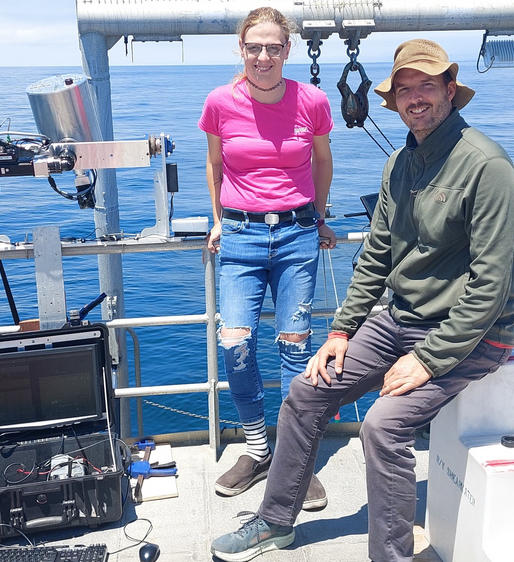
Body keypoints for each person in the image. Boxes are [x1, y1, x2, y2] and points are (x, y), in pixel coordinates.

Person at [210, 39, 514, 562]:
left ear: (451, 90)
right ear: (394, 101)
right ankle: (274, 522)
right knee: (306, 391)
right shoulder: (400, 163)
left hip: (471, 335)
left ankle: (391, 556)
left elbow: (489, 287)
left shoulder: (486, 165)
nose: (415, 98)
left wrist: (428, 359)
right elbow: (377, 256)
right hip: (401, 319)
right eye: (404, 90)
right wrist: (341, 330)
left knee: (383, 425)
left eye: (427, 86)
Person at [198, 6, 335, 507]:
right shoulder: (220, 102)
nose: (263, 56)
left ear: (287, 50)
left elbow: (322, 161)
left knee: (297, 349)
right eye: (254, 46)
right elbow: (215, 165)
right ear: (241, 48)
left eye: (273, 47)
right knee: (235, 343)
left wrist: (320, 217)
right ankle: (258, 450)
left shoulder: (312, 100)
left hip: (298, 234)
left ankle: (294, 458)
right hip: (240, 235)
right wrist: (217, 219)